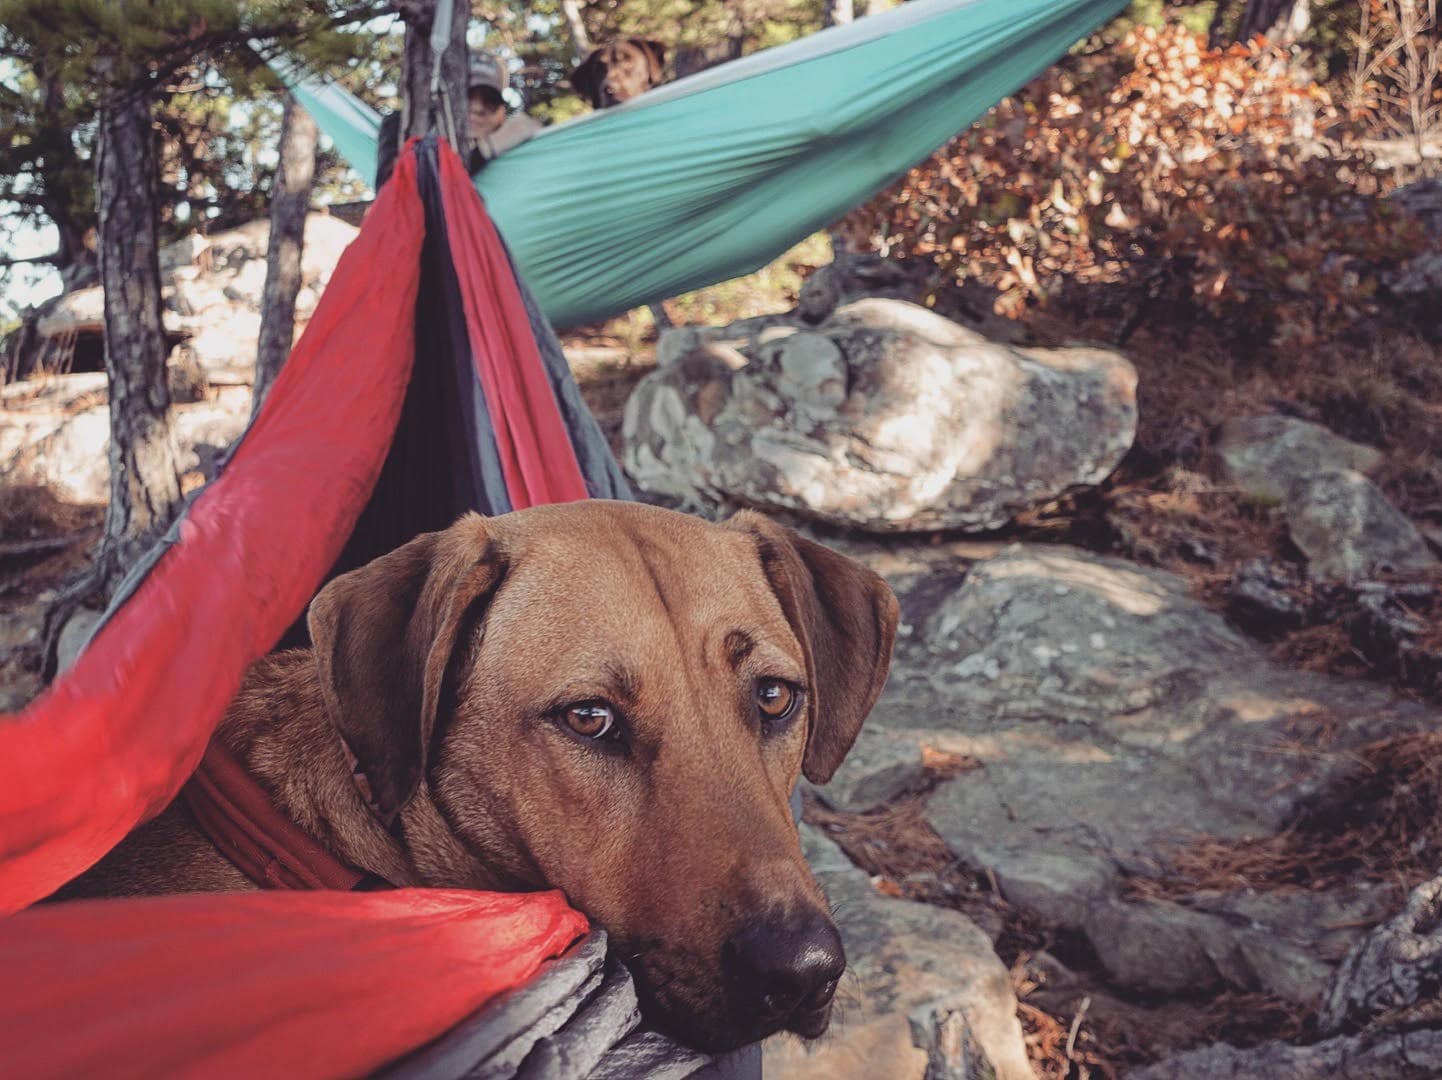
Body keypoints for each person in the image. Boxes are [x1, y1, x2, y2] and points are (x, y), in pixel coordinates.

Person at [374, 49, 542, 188]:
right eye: (466, 95)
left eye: (490, 100)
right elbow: (393, 187)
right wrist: (487, 149)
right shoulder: (402, 125)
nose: (477, 107)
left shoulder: (512, 160)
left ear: (501, 115)